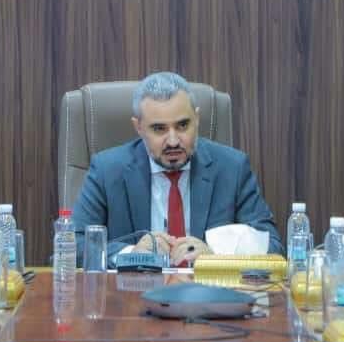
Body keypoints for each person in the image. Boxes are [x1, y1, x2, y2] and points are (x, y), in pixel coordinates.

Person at [72, 72, 283, 266]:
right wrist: (131, 254)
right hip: (134, 291)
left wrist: (216, 255)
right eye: (159, 129)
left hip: (207, 293)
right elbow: (72, 246)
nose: (173, 141)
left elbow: (273, 247)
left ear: (197, 120)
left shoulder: (232, 168)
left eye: (182, 125)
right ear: (139, 127)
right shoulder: (107, 170)